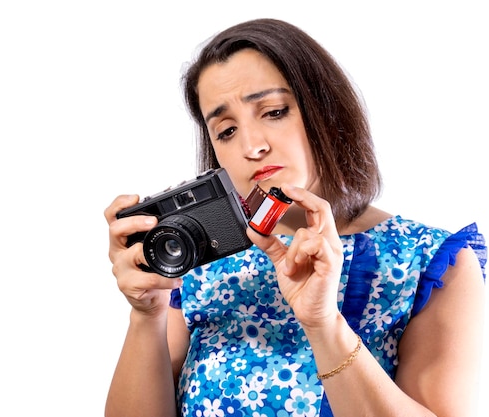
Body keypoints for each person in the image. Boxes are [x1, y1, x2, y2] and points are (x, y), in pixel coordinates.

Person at [103, 18, 486, 417]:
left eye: (273, 111)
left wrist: (323, 325)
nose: (252, 146)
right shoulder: (204, 260)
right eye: (227, 130)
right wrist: (146, 313)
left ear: (327, 109)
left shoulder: (431, 262)